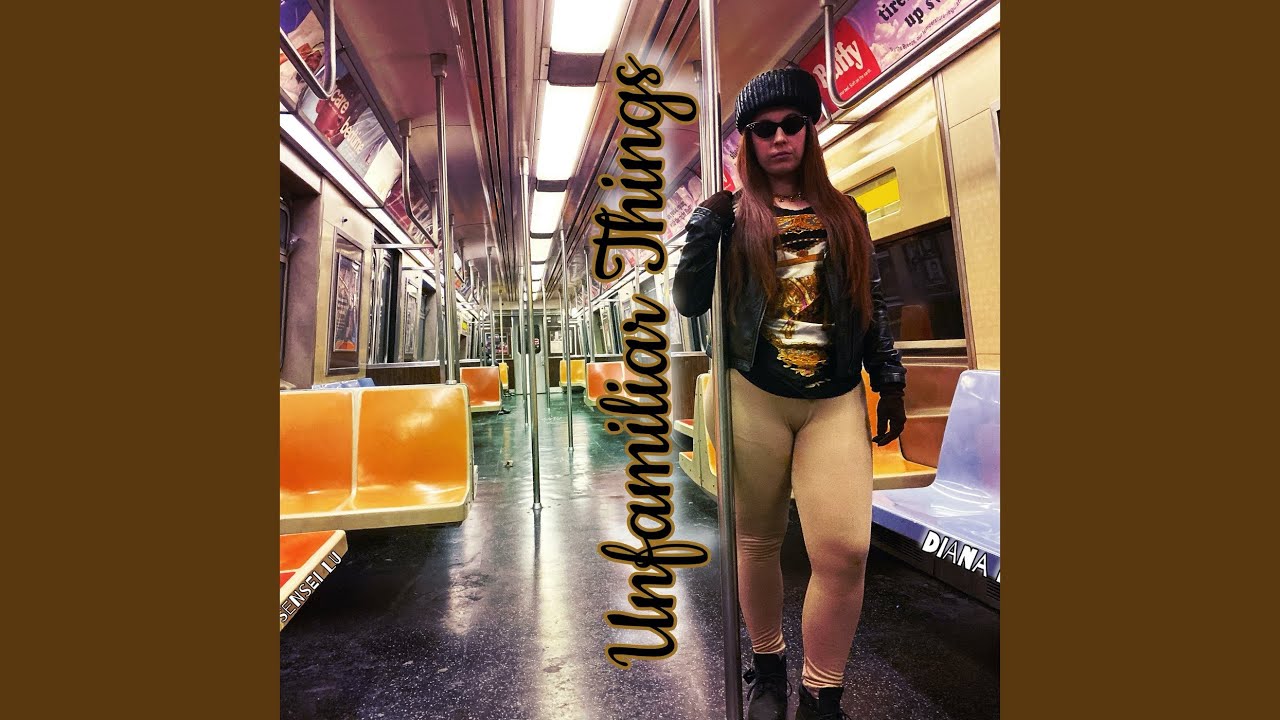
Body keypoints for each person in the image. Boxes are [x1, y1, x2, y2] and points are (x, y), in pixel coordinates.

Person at [673, 67, 907, 720]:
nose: (779, 138)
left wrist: (889, 378)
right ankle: (769, 665)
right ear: (748, 140)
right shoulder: (731, 219)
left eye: (792, 125)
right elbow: (688, 301)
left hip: (834, 397)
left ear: (809, 131)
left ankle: (822, 693)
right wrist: (702, 229)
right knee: (758, 540)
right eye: (764, 129)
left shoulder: (845, 215)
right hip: (754, 392)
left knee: (845, 550)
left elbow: (869, 303)